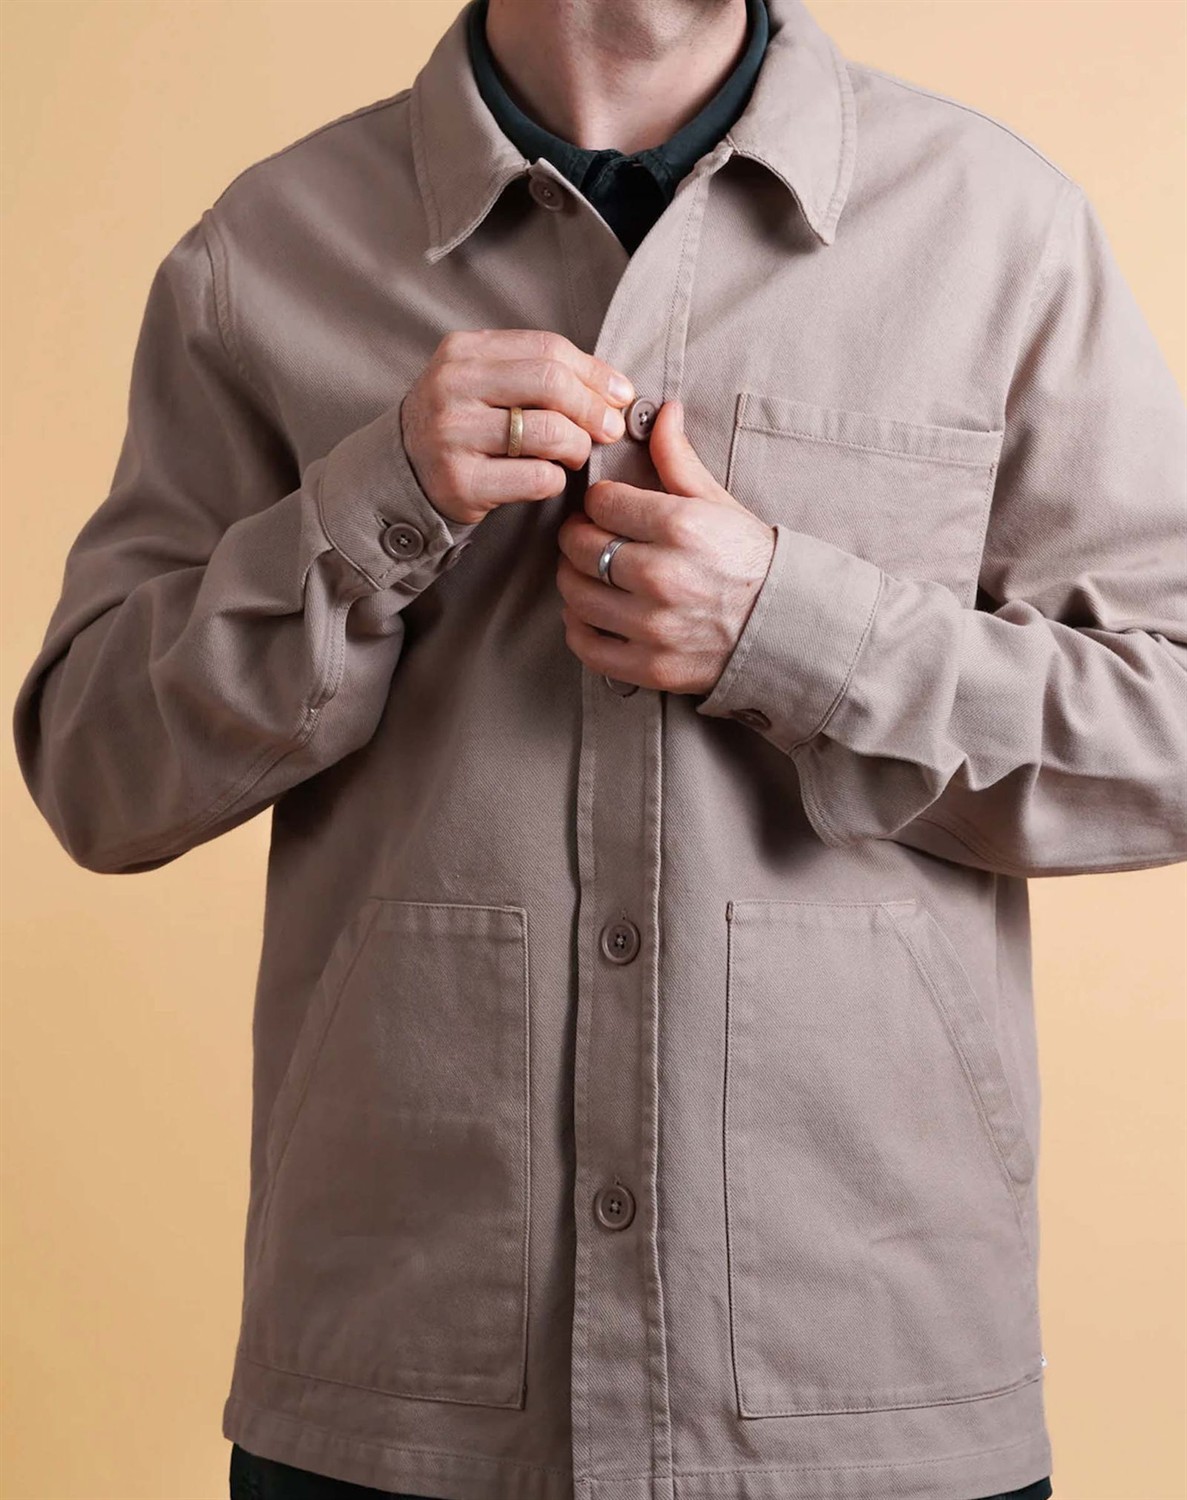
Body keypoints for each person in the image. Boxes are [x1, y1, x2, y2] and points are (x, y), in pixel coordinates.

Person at [12, 0, 1186, 1494]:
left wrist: (795, 631)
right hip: (400, 1390)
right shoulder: (266, 248)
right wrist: (374, 503)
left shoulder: (997, 229)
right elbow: (96, 772)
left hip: (864, 1386)